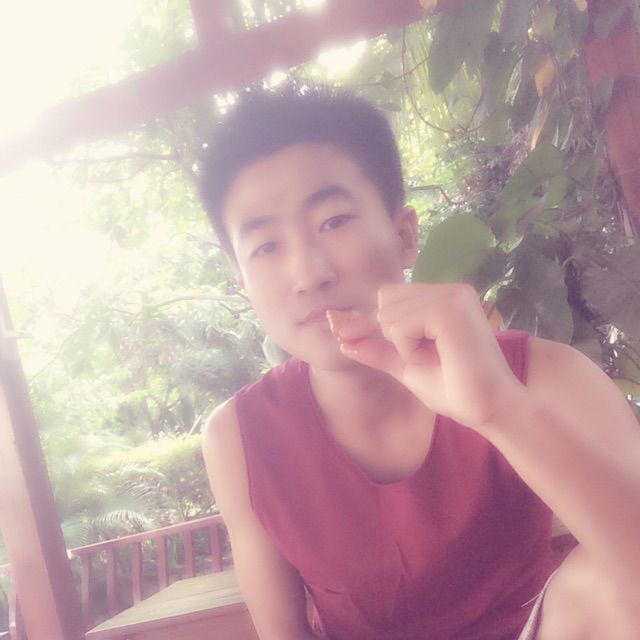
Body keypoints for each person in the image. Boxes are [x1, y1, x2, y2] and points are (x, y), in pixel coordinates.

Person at [198, 86, 640, 639]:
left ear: (404, 236)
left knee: (603, 584)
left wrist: (501, 410)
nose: (308, 274)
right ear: (244, 284)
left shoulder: (549, 377)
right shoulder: (241, 438)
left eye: (334, 221)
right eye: (265, 247)